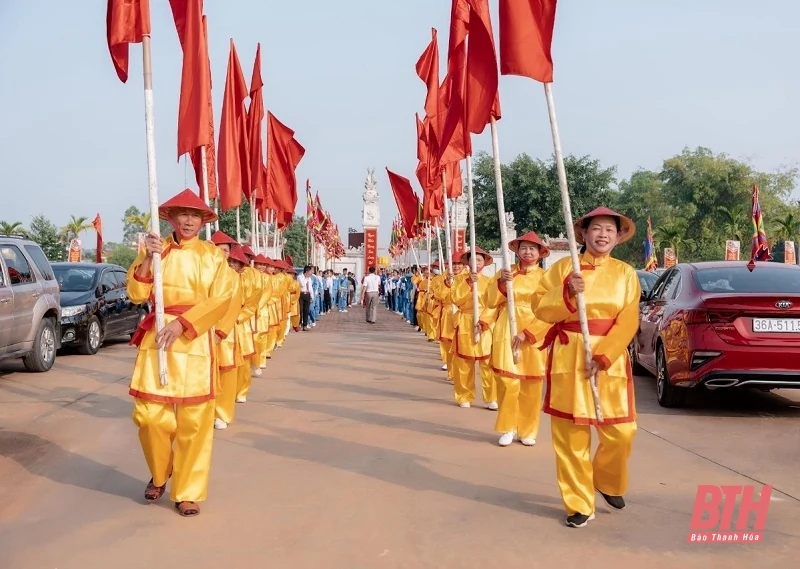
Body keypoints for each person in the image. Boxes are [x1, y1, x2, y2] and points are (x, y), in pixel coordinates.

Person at [127, 189, 236, 518]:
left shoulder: (212, 256)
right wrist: (148, 257)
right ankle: (161, 473)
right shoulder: (157, 250)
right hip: (157, 338)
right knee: (149, 416)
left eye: (195, 215)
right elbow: (135, 293)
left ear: (203, 221)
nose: (188, 221)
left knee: (194, 422)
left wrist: (184, 324)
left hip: (194, 338)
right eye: (182, 214)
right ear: (170, 218)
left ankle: (187, 491)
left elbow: (221, 299)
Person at [535, 207, 641, 529]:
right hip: (570, 354)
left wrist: (605, 354)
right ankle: (579, 503)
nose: (603, 235)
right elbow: (539, 307)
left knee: (622, 431)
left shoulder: (625, 273)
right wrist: (566, 291)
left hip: (609, 359)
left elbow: (629, 318)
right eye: (597, 228)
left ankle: (607, 481)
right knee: (571, 436)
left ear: (619, 236)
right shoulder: (564, 268)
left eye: (610, 230)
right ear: (583, 233)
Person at [480, 232, 550, 447]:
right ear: (517, 251)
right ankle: (508, 427)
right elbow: (489, 301)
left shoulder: (546, 277)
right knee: (508, 382)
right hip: (506, 328)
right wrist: (501, 282)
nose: (527, 252)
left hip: (535, 330)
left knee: (531, 384)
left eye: (532, 248)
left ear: (539, 253)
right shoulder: (506, 272)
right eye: (524, 248)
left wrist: (529, 333)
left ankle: (527, 430)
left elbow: (550, 310)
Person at [450, 248, 495, 408]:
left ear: (484, 262)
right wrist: (469, 282)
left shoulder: (490, 281)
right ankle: (464, 396)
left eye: (479, 260)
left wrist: (485, 320)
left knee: (488, 363)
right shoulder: (460, 280)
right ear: (467, 262)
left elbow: (494, 303)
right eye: (472, 260)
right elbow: (455, 299)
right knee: (464, 363)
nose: (476, 263)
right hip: (465, 321)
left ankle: (491, 397)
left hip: (484, 323)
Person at [297, 265, 314, 330]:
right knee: (300, 310)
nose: (311, 273)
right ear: (306, 271)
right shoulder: (300, 277)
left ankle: (305, 325)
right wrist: (306, 278)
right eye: (310, 271)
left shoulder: (309, 278)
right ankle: (299, 324)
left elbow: (310, 288)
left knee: (306, 310)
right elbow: (302, 284)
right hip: (301, 294)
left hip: (307, 294)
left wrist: (312, 297)